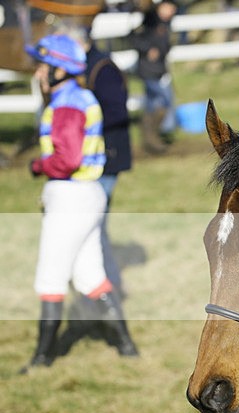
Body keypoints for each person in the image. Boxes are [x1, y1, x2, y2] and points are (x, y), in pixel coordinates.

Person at [21, 34, 138, 374]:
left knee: (50, 277)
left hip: (70, 196)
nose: (39, 73)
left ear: (60, 70)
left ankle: (41, 359)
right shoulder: (81, 96)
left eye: (44, 66)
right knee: (90, 276)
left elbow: (67, 158)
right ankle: (127, 347)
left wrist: (38, 165)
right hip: (86, 195)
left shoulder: (66, 103)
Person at [66, 25, 132, 290]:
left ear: (80, 44)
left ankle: (103, 281)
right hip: (94, 156)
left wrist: (83, 120)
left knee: (95, 222)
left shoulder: (102, 69)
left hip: (108, 155)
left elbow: (117, 110)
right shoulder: (85, 67)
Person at [130, 0, 178, 154]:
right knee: (163, 101)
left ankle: (151, 138)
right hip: (149, 70)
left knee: (153, 103)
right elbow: (135, 37)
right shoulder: (150, 20)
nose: (170, 11)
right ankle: (152, 137)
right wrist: (148, 49)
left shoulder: (165, 24)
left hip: (158, 70)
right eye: (168, 7)